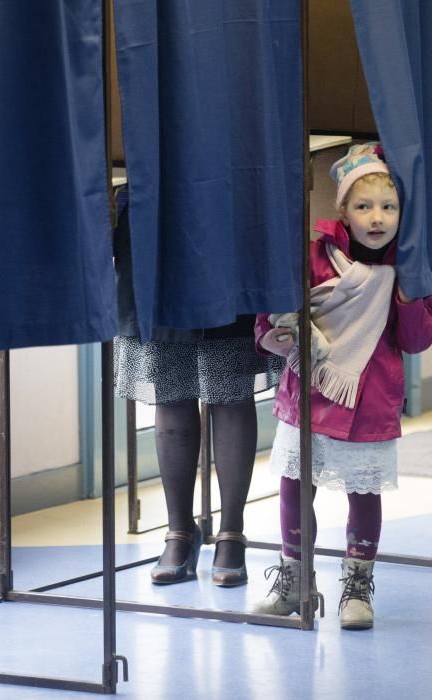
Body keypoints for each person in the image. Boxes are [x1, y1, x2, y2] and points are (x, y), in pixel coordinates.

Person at [249, 142, 432, 629]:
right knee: (294, 486)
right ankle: (295, 579)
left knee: (363, 493)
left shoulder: (406, 267)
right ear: (343, 211)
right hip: (308, 395)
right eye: (364, 206)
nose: (377, 218)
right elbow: (271, 315)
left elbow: (417, 340)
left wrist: (410, 295)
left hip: (370, 402)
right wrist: (274, 333)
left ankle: (357, 586)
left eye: (388, 207)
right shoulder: (313, 258)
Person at [113, 193, 283, 587]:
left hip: (230, 223)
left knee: (229, 389)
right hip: (156, 225)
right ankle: (179, 531)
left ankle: (232, 532)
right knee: (171, 388)